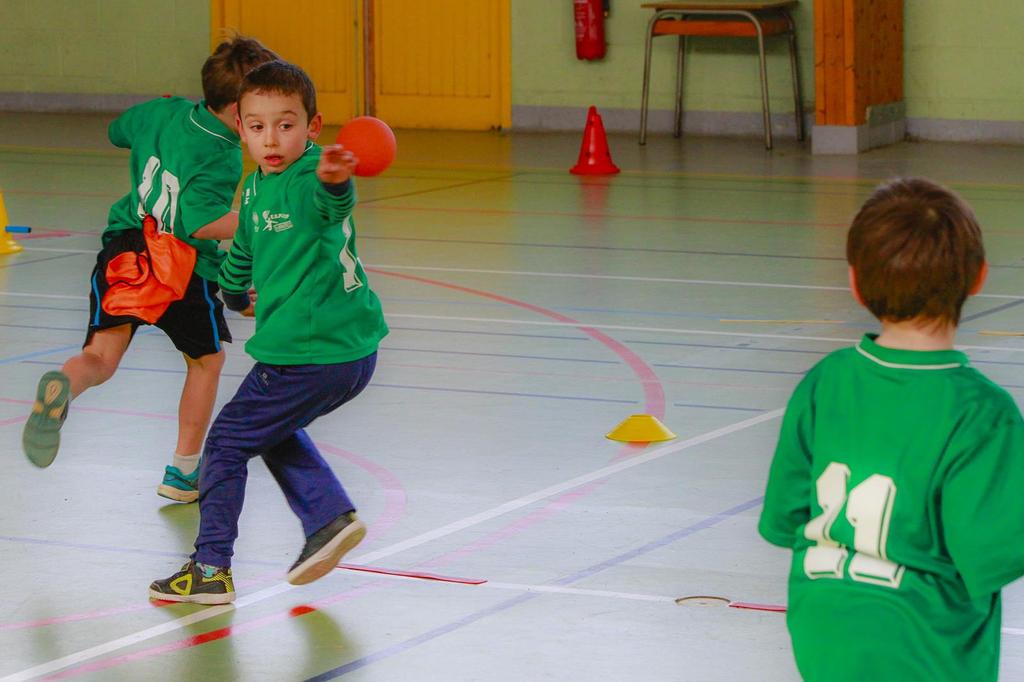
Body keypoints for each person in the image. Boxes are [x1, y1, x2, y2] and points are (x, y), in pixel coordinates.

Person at [758, 177, 1024, 681]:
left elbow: (785, 516)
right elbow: (992, 555)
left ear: (856, 283)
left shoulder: (825, 381)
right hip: (924, 647)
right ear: (978, 278)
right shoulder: (981, 412)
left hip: (823, 634)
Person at [149, 60, 389, 604]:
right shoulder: (257, 185)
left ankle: (211, 568)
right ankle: (327, 517)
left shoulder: (309, 177)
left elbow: (327, 206)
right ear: (241, 128)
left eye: (286, 124)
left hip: (312, 352)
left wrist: (336, 183)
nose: (272, 139)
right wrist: (234, 294)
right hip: (343, 351)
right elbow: (244, 249)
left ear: (313, 127)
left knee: (226, 443)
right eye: (258, 127)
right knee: (266, 427)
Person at [21, 36, 278, 506]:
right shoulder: (222, 154)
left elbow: (117, 131)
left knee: (100, 357)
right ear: (238, 111)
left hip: (124, 248)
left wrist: (155, 128)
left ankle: (65, 384)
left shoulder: (165, 111)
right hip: (179, 267)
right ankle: (183, 471)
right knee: (206, 362)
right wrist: (255, 221)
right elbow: (198, 223)